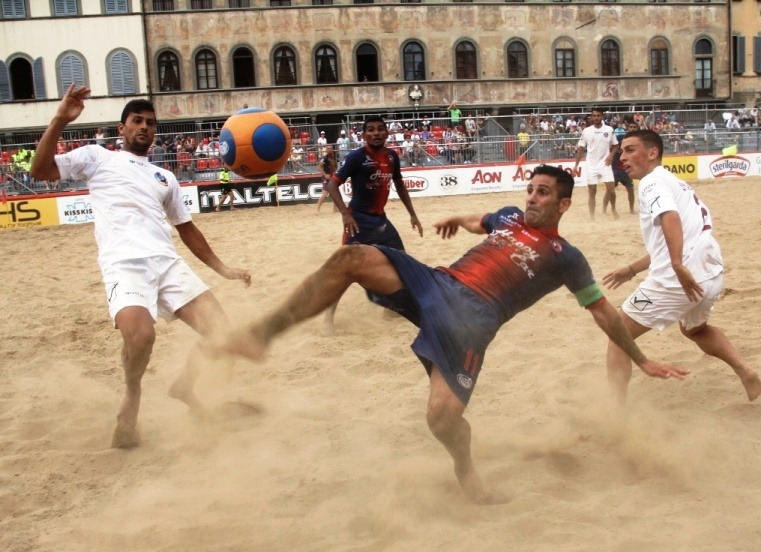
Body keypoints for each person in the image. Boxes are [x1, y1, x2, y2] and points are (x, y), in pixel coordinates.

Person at [201, 164, 686, 504]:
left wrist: (640, 360)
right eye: (530, 189)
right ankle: (262, 335)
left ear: (563, 204)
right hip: (438, 282)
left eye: (542, 193)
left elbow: (601, 311)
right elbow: (484, 221)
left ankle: (466, 472)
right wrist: (458, 219)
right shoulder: (510, 217)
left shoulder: (566, 255)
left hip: (471, 323)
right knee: (352, 258)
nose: (531, 198)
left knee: (441, 421)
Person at [30, 85, 252, 447]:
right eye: (137, 121)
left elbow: (187, 229)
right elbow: (40, 169)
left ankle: (183, 386)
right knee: (141, 337)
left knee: (222, 333)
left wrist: (223, 268)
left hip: (166, 263)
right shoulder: (97, 157)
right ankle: (132, 394)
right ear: (122, 128)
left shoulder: (165, 178)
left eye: (150, 122)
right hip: (124, 264)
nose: (144, 127)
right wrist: (59, 119)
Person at [601, 129, 761, 406]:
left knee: (618, 337)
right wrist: (632, 269)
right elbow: (673, 237)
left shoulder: (652, 183)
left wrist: (676, 265)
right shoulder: (674, 182)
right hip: (710, 274)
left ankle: (614, 414)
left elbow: (670, 218)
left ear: (652, 153)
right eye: (621, 151)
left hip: (679, 278)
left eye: (630, 150)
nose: (622, 158)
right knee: (695, 330)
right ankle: (745, 370)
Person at [322, 114, 423, 333]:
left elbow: (400, 184)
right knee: (344, 273)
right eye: (371, 130)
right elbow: (332, 185)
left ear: (387, 132)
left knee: (402, 263)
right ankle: (326, 319)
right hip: (357, 222)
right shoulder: (357, 157)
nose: (376, 133)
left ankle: (390, 308)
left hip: (381, 220)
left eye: (380, 129)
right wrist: (344, 214)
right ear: (364, 134)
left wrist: (412, 214)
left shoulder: (392, 156)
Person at [573, 106, 619, 220]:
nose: (596, 117)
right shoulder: (586, 131)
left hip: (605, 164)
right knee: (592, 191)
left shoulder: (609, 129)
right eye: (594, 115)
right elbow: (581, 148)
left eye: (598, 115)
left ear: (602, 116)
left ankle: (613, 208)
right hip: (591, 165)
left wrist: (611, 155)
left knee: (611, 190)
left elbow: (616, 145)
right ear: (591, 117)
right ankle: (592, 217)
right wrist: (576, 165)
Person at [610, 122, 638, 214]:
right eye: (631, 127)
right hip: (616, 168)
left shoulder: (638, 141)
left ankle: (631, 210)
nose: (632, 129)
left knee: (630, 189)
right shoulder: (620, 138)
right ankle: (604, 209)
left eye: (634, 127)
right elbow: (612, 147)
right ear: (628, 128)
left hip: (627, 169)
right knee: (610, 190)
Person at [315, 146, 338, 213]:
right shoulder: (325, 158)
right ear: (326, 150)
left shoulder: (333, 158)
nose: (330, 149)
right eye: (328, 148)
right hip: (326, 177)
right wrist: (325, 175)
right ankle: (317, 209)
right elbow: (319, 167)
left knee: (335, 193)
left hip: (332, 177)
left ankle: (335, 209)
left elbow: (335, 167)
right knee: (325, 194)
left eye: (331, 148)